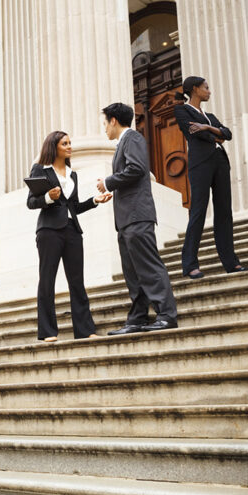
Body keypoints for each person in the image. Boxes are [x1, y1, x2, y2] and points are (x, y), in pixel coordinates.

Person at [96, 103, 178, 334]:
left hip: (137, 215)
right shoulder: (124, 142)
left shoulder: (132, 138)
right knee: (133, 272)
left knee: (149, 267)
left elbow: (136, 169)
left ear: (113, 121)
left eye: (104, 123)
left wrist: (109, 182)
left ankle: (167, 315)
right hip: (126, 218)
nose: (104, 129)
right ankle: (138, 318)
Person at [26, 131, 113, 343]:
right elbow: (31, 202)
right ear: (53, 146)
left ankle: (84, 330)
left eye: (70, 143)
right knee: (47, 280)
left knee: (77, 281)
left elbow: (73, 207)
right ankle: (47, 332)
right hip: (49, 231)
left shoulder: (72, 173)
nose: (69, 146)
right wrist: (48, 197)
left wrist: (95, 200)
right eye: (64, 143)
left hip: (72, 230)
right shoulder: (40, 169)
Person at [173, 76, 248, 279]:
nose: (209, 91)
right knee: (198, 211)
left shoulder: (210, 116)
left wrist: (207, 127)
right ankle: (189, 264)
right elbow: (192, 132)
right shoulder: (181, 110)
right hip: (200, 164)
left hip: (220, 162)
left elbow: (228, 134)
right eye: (206, 87)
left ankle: (231, 263)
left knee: (225, 212)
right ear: (195, 89)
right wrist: (215, 134)